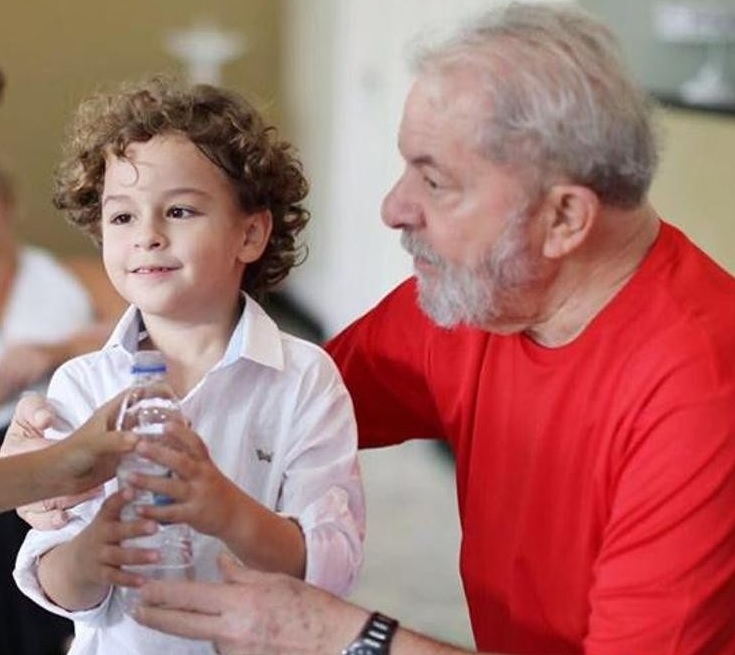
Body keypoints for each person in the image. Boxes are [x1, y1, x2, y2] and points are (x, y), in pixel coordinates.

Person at [10, 3, 735, 653]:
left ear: (564, 218)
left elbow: (318, 543)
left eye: (434, 179)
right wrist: (42, 455)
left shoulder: (702, 391)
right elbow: (263, 399)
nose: (392, 207)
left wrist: (349, 636)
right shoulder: (482, 298)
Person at [12, 76, 364, 655]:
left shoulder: (306, 379)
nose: (147, 236)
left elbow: (330, 567)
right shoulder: (83, 383)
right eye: (122, 217)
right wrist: (90, 553)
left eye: (178, 211)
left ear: (249, 234)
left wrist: (226, 510)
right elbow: (50, 580)